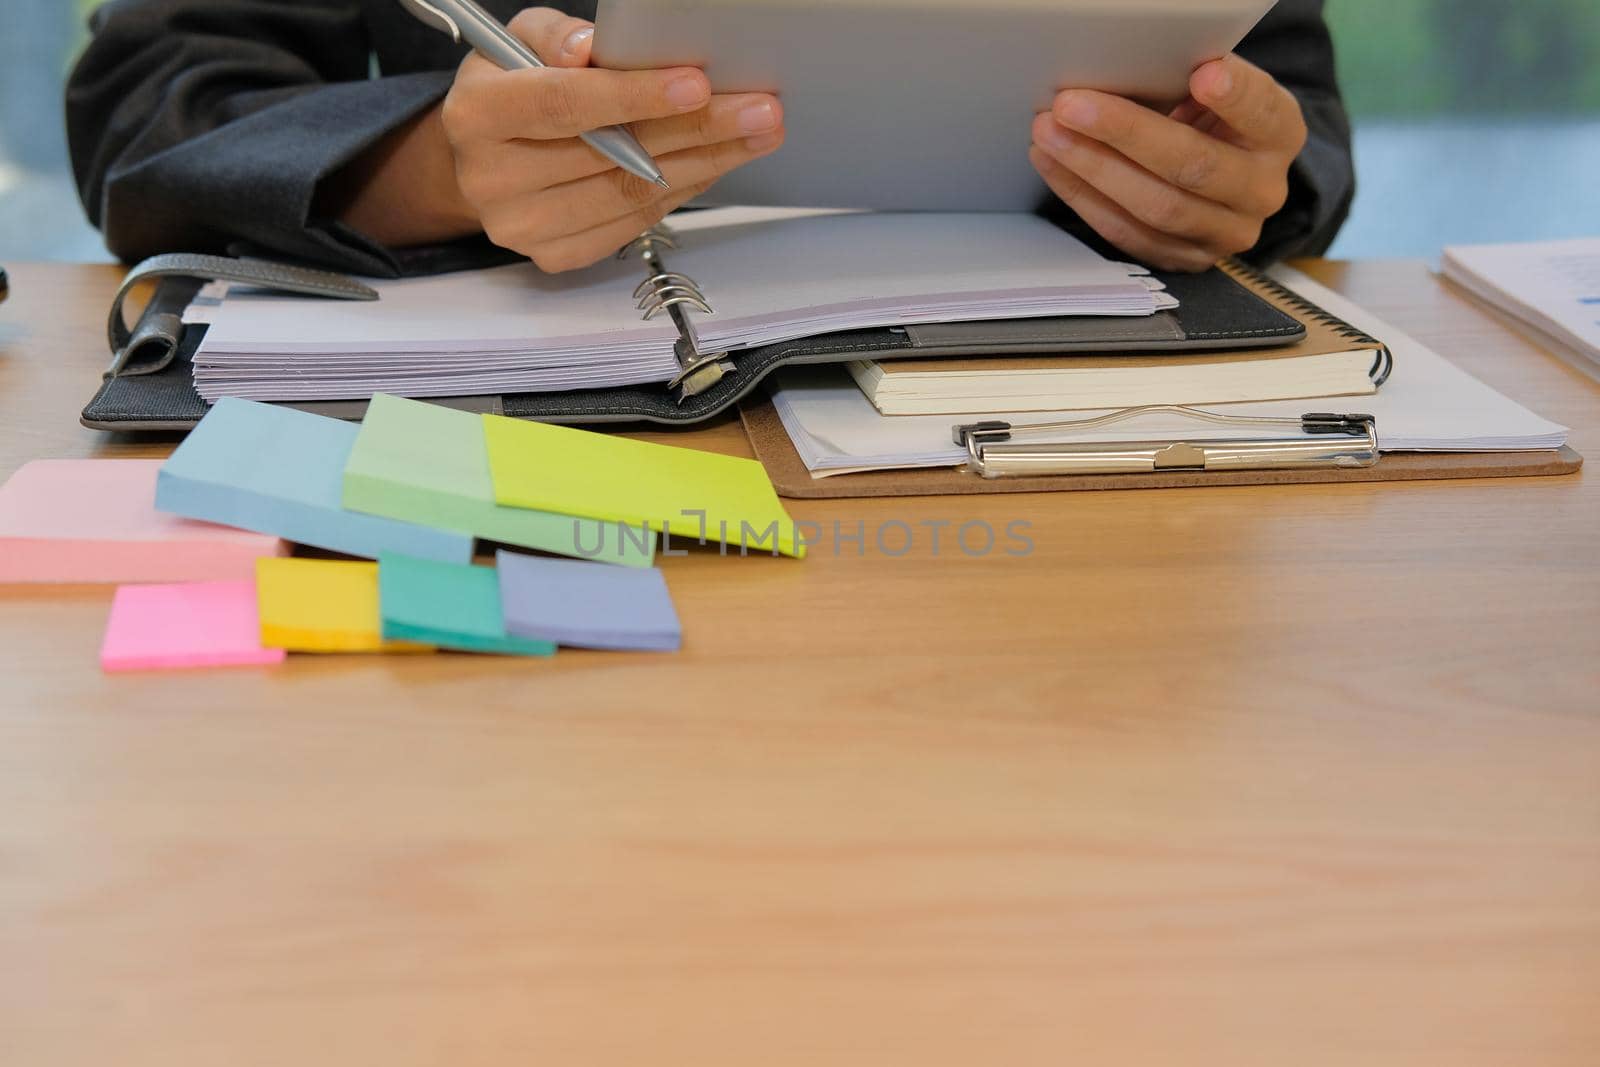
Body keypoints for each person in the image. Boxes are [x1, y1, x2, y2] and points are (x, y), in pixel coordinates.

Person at [66, 0, 1353, 277]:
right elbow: (156, 102)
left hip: (1065, 450)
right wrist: (434, 170)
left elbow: (1279, 97)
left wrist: (1215, 172)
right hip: (505, 460)